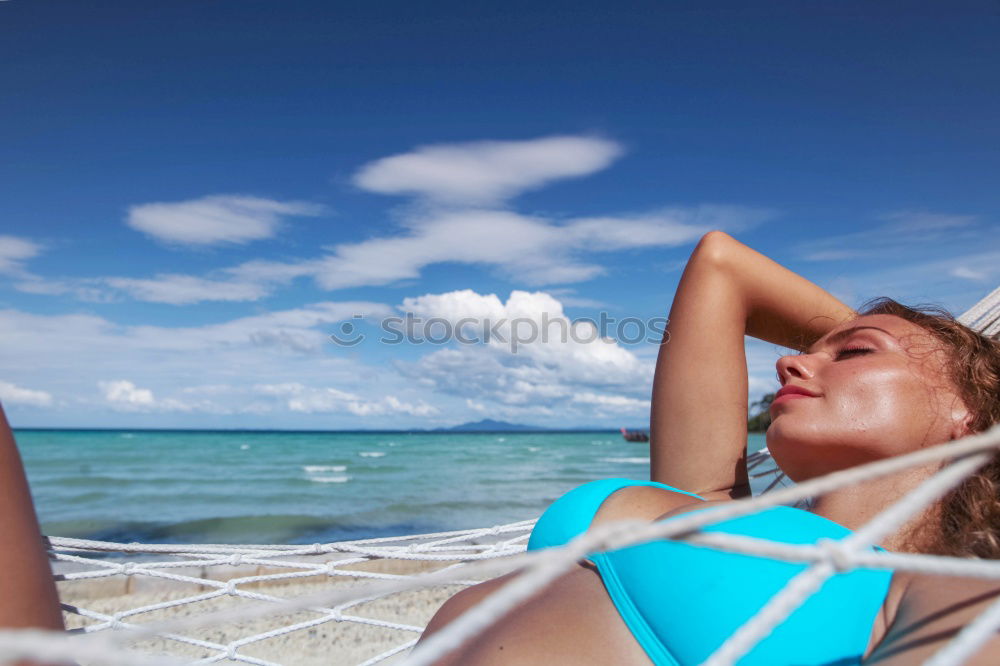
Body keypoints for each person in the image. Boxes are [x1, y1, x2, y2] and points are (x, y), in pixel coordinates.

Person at [418, 231, 1000, 665]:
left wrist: (958, 361)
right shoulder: (710, 503)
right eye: (810, 351)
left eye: (855, 355)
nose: (787, 361)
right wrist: (902, 343)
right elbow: (721, 264)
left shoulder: (948, 580)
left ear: (970, 414)